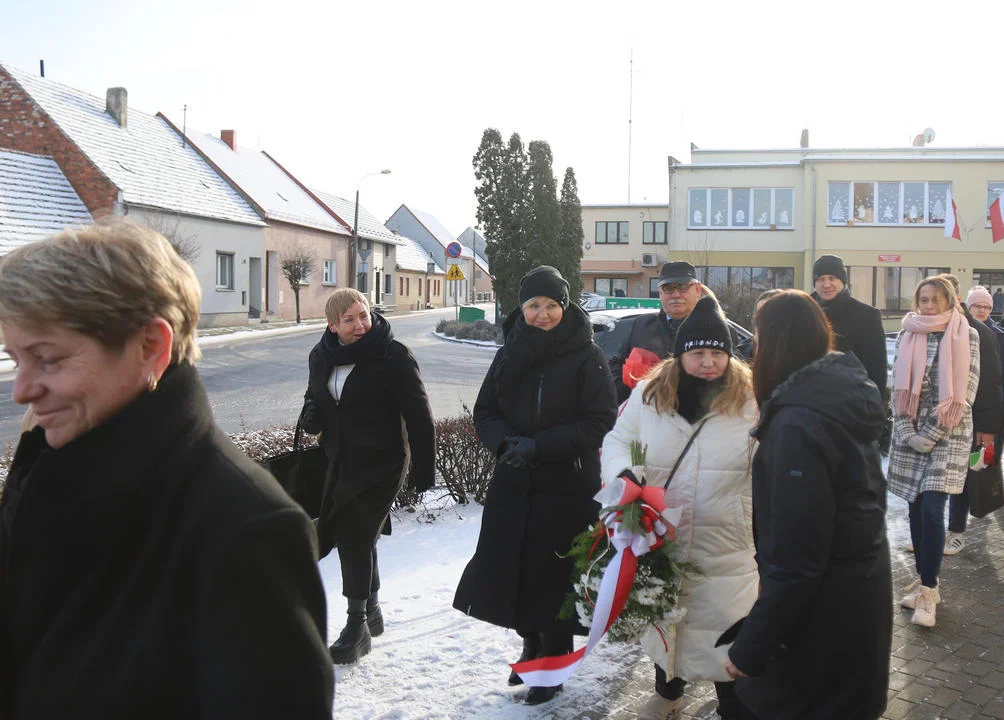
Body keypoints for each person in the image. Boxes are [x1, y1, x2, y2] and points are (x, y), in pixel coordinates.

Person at [0, 221, 334, 718]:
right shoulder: (44, 469)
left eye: (47, 360)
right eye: (14, 359)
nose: (20, 389)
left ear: (150, 348)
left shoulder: (247, 532)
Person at [453, 266, 617, 706]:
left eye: (551, 305)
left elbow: (600, 420)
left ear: (565, 306)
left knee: (555, 575)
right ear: (520, 309)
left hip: (566, 485)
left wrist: (540, 446)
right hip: (514, 480)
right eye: (533, 306)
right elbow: (485, 410)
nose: (542, 314)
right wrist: (505, 443)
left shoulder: (587, 356)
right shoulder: (508, 353)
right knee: (514, 565)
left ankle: (553, 661)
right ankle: (531, 640)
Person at [724, 290, 891, 720]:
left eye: (759, 337)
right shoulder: (835, 396)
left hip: (820, 631)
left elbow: (797, 560)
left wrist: (751, 648)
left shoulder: (799, 424)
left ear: (776, 343)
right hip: (856, 608)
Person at [602, 295, 758, 720]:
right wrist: (624, 475)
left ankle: (733, 706)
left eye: (717, 353)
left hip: (726, 541)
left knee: (727, 632)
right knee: (666, 620)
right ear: (681, 353)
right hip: (660, 536)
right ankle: (668, 692)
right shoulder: (651, 393)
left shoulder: (749, 401)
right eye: (698, 353)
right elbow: (619, 440)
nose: (708, 363)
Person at [301, 287, 435, 664]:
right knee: (358, 534)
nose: (360, 325)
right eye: (349, 320)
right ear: (332, 326)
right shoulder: (322, 355)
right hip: (341, 459)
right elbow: (315, 394)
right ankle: (372, 612)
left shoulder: (392, 355)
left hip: (383, 461)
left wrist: (425, 471)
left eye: (364, 315)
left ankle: (356, 626)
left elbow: (419, 414)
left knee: (353, 535)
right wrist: (312, 411)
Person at [888, 276, 980, 628]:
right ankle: (928, 581)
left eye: (935, 300)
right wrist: (909, 431)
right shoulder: (907, 332)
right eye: (923, 299)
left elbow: (966, 389)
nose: (927, 306)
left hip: (949, 434)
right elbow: (897, 385)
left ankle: (928, 594)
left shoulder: (965, 334)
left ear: (949, 302)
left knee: (931, 507)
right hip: (910, 435)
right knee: (913, 508)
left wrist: (932, 432)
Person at [938, 278, 1003, 556]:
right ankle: (930, 529)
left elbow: (993, 382)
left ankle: (957, 531)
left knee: (970, 474)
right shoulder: (933, 328)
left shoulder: (980, 332)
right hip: (939, 420)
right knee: (939, 474)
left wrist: (988, 428)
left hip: (974, 421)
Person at [611, 261, 704, 402]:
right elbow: (616, 367)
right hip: (646, 414)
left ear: (697, 290)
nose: (676, 295)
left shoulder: (715, 331)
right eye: (668, 288)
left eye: (683, 287)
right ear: (660, 292)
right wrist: (632, 395)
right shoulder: (641, 326)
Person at [809, 254, 888, 401]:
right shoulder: (804, 312)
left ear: (843, 281)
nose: (827, 284)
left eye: (832, 278)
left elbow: (877, 370)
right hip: (808, 401)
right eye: (821, 279)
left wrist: (875, 409)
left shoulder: (867, 316)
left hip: (852, 403)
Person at [734, 288, 784, 360]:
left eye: (769, 313)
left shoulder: (799, 357)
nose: (762, 319)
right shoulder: (741, 354)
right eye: (759, 313)